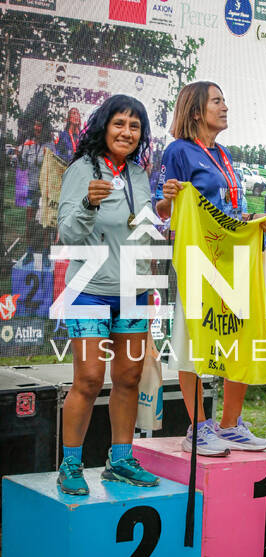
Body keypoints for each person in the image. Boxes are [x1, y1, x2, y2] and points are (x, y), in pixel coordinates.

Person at [156, 81, 266, 456]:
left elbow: (228, 209)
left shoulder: (224, 154)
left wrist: (251, 221)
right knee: (192, 340)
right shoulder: (178, 151)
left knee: (239, 337)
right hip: (198, 260)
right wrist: (167, 201)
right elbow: (163, 210)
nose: (225, 107)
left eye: (225, 100)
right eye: (217, 101)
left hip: (233, 259)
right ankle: (199, 428)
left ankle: (231, 425)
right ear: (195, 111)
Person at [57, 94, 159, 495]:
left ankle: (120, 461)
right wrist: (88, 203)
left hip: (133, 291)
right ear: (104, 126)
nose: (127, 132)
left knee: (129, 378)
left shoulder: (138, 174)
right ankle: (70, 464)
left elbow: (141, 226)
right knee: (88, 379)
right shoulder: (81, 169)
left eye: (135, 126)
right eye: (119, 123)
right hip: (90, 291)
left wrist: (164, 208)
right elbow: (68, 234)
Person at [18, 118, 54, 266]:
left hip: (45, 191)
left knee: (45, 223)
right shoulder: (28, 143)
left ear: (44, 128)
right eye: (35, 125)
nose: (36, 127)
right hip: (32, 190)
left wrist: (48, 156)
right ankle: (29, 252)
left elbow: (53, 167)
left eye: (39, 125)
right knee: (29, 222)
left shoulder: (50, 144)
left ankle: (45, 253)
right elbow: (23, 166)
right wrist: (19, 155)